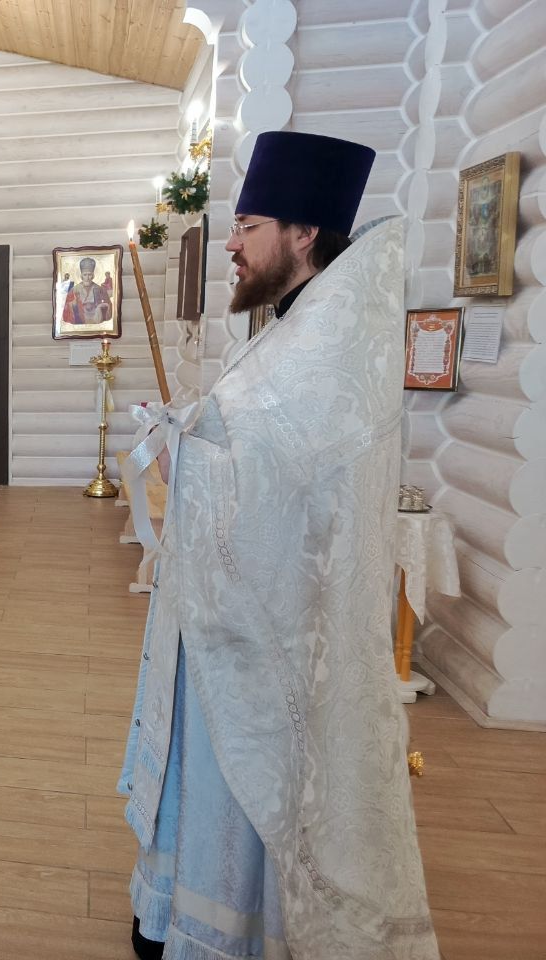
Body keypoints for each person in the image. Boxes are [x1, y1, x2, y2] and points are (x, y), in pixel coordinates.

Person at [119, 131, 438, 960]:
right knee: (208, 770)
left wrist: (190, 450)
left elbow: (276, 471)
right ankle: (182, 910)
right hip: (234, 611)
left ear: (303, 233)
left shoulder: (330, 339)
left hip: (274, 634)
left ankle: (229, 932)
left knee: (244, 778)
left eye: (247, 225)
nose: (231, 243)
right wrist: (191, 431)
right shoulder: (299, 323)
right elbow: (263, 443)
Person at [60, 256, 111, 326]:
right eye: (85, 275)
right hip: (80, 318)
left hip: (97, 319)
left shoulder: (100, 289)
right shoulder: (74, 289)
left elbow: (108, 305)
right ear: (81, 276)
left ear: (93, 276)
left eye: (89, 274)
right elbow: (66, 306)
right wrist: (74, 304)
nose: (87, 277)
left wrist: (102, 306)